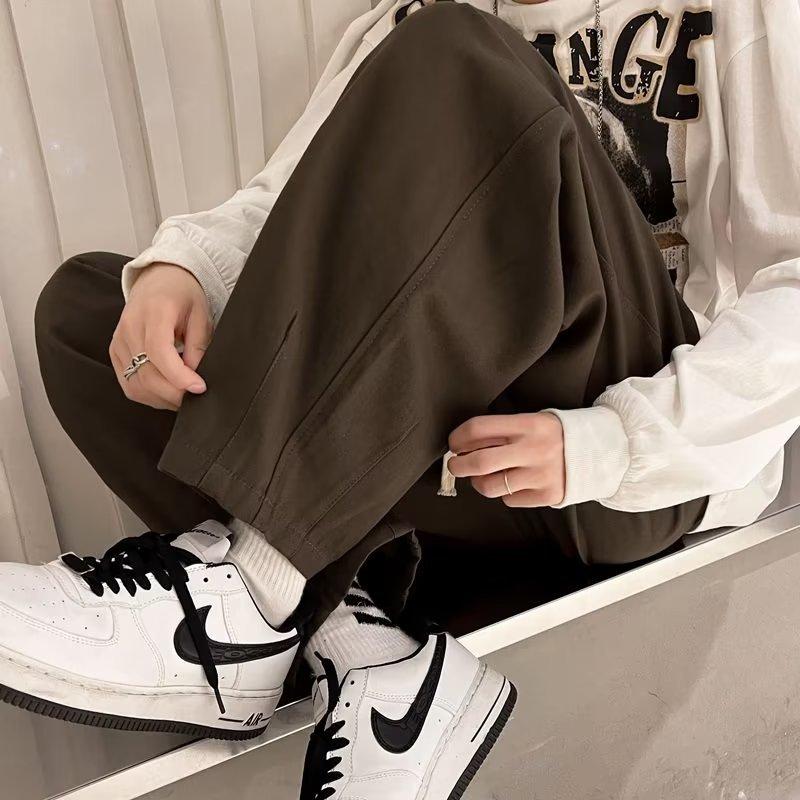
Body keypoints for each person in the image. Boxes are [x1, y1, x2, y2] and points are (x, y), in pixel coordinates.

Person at [2, 0, 798, 797]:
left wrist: (615, 442)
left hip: (627, 463)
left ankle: (258, 590)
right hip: (451, 460)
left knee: (460, 52)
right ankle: (367, 655)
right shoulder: (407, 21)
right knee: (94, 312)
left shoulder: (737, 12)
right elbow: (300, 208)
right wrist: (183, 271)